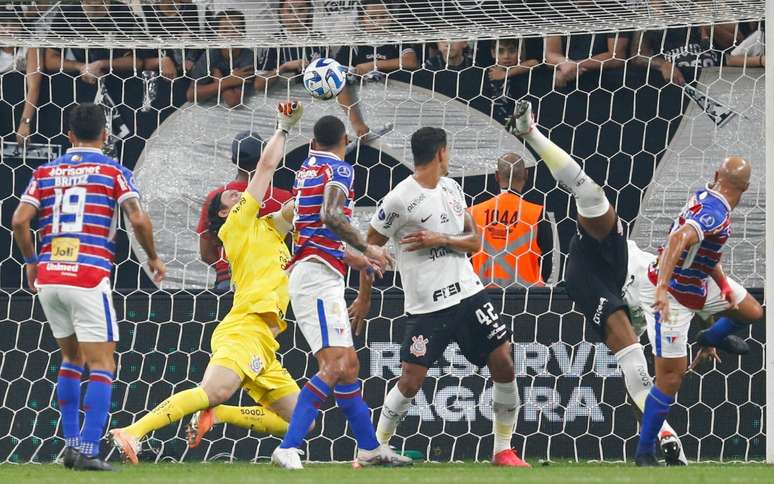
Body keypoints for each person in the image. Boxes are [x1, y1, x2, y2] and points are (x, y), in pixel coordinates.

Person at [110, 102, 306, 464]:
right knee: (214, 389)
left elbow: (292, 210)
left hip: (265, 340)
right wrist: (283, 128)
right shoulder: (237, 226)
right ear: (223, 212)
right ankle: (133, 433)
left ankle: (220, 415)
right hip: (244, 329)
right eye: (232, 195)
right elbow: (265, 168)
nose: (239, 193)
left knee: (298, 419)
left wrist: (317, 177)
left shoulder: (264, 229)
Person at [507, 99, 688, 466]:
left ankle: (667, 443)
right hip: (597, 268)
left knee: (636, 367)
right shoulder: (661, 269)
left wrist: (714, 334)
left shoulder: (679, 300)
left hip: (626, 297)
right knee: (589, 192)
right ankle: (529, 133)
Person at [349, 127, 530, 467]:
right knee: (410, 382)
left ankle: (502, 449)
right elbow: (370, 247)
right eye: (449, 152)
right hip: (427, 306)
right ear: (441, 153)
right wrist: (365, 297)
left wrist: (439, 239)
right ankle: (373, 450)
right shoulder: (399, 199)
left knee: (504, 363)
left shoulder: (452, 187)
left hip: (468, 293)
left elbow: (474, 242)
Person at [11, 103, 166, 470]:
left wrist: (32, 263)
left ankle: (71, 443)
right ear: (105, 136)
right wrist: (153, 257)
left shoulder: (46, 171)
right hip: (88, 275)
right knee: (102, 364)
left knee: (71, 358)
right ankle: (89, 449)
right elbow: (138, 218)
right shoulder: (113, 170)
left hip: (50, 276)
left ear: (69, 136)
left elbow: (19, 220)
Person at [271, 115, 411, 470]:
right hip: (316, 280)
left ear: (315, 142)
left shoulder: (308, 167)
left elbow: (319, 238)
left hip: (319, 269)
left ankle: (369, 447)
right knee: (333, 365)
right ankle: (288, 447)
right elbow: (332, 216)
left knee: (349, 367)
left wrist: (359, 261)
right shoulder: (341, 170)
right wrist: (370, 249)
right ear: (344, 139)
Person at [630, 157, 763, 466]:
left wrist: (725, 287)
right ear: (746, 189)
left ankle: (710, 335)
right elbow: (678, 239)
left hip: (699, 284)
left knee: (751, 311)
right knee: (670, 379)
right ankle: (644, 453)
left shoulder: (705, 196)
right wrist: (662, 289)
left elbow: (705, 251)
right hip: (673, 293)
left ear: (718, 176)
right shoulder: (713, 212)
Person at [197, 130, 292, 290]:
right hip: (271, 280)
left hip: (229, 280)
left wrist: (225, 268)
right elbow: (289, 243)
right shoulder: (283, 198)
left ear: (234, 160)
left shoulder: (218, 198)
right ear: (263, 156)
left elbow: (206, 252)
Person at [336, 0, 418, 140]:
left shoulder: (396, 41)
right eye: (373, 18)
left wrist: (373, 65)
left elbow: (411, 61)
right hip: (360, 113)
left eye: (383, 17)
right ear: (362, 19)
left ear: (391, 17)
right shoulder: (353, 45)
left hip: (395, 111)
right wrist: (357, 122)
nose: (379, 22)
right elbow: (337, 79)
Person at [468, 153, 553, 287]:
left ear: (496, 175)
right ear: (526, 175)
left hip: (483, 297)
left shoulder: (473, 212)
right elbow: (546, 264)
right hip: (527, 299)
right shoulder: (537, 213)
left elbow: (465, 261)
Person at [187, 9, 256, 107]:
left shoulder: (248, 57)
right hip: (209, 106)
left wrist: (218, 78)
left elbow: (233, 101)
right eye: (224, 30)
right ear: (216, 34)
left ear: (243, 34)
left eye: (236, 29)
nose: (230, 34)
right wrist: (228, 81)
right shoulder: (211, 54)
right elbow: (191, 95)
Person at [545, 32, 629, 89]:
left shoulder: (613, 9)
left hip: (608, 83)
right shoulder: (555, 8)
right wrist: (562, 62)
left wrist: (572, 66)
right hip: (565, 83)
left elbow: (616, 57)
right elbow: (550, 54)